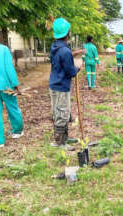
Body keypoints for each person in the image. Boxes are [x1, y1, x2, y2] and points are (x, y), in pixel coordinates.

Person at [49, 18, 82, 150]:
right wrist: (78, 68)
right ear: (67, 33)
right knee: (62, 113)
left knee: (59, 112)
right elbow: (70, 71)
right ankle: (60, 143)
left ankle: (65, 138)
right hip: (62, 86)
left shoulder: (55, 47)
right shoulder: (65, 51)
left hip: (54, 84)